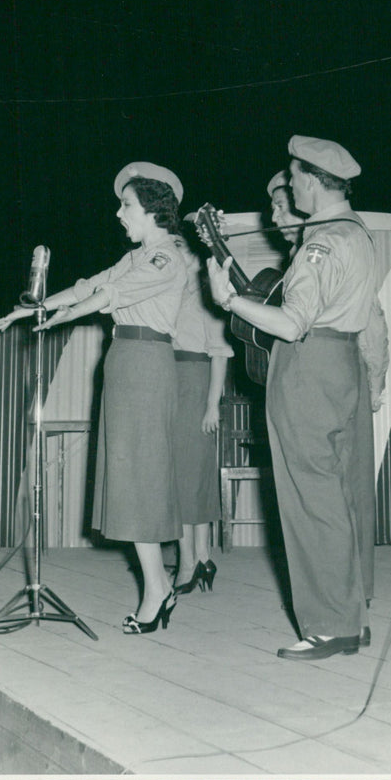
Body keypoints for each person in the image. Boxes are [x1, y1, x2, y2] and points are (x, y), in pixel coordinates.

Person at [0, 161, 188, 634]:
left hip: (146, 364)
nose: (119, 214)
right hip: (125, 361)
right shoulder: (140, 254)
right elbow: (91, 285)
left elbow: (108, 296)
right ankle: (158, 585)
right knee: (128, 477)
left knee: (139, 477)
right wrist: (33, 309)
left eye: (127, 206)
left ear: (154, 211)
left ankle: (157, 590)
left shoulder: (167, 256)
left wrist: (60, 319)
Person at [208, 135, 377, 660]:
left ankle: (328, 625)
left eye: (293, 175)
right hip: (347, 361)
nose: (289, 184)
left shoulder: (319, 243)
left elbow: (291, 321)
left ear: (309, 178)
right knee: (345, 496)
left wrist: (229, 298)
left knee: (311, 498)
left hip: (309, 367)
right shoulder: (360, 234)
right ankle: (352, 615)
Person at [170, 235, 233, 595]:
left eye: (177, 247)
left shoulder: (208, 293)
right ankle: (201, 556)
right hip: (171, 381)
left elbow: (220, 353)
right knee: (182, 475)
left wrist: (212, 404)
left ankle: (189, 562)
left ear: (193, 253)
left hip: (196, 384)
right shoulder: (173, 289)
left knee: (190, 475)